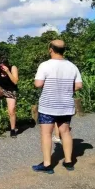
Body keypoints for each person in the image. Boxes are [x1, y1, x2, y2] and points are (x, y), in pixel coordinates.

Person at [32, 40, 82, 174]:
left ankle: (48, 164)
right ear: (64, 50)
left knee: (46, 134)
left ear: (50, 49)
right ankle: (68, 161)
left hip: (48, 105)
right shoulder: (72, 66)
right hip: (66, 105)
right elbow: (78, 86)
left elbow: (38, 84)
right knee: (65, 132)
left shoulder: (45, 65)